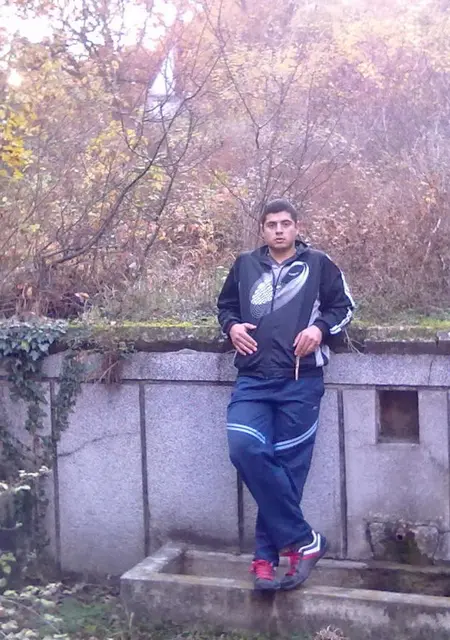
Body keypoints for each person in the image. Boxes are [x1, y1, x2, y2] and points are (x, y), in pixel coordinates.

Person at [217, 198, 354, 592]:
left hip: (300, 381)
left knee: (287, 472)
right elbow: (225, 306)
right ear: (262, 229)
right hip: (253, 379)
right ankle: (305, 541)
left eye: (285, 224)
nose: (278, 230)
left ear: (296, 227)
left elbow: (344, 307)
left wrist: (320, 329)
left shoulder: (319, 264)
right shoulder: (245, 265)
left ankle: (265, 559)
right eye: (271, 224)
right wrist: (231, 327)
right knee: (244, 449)